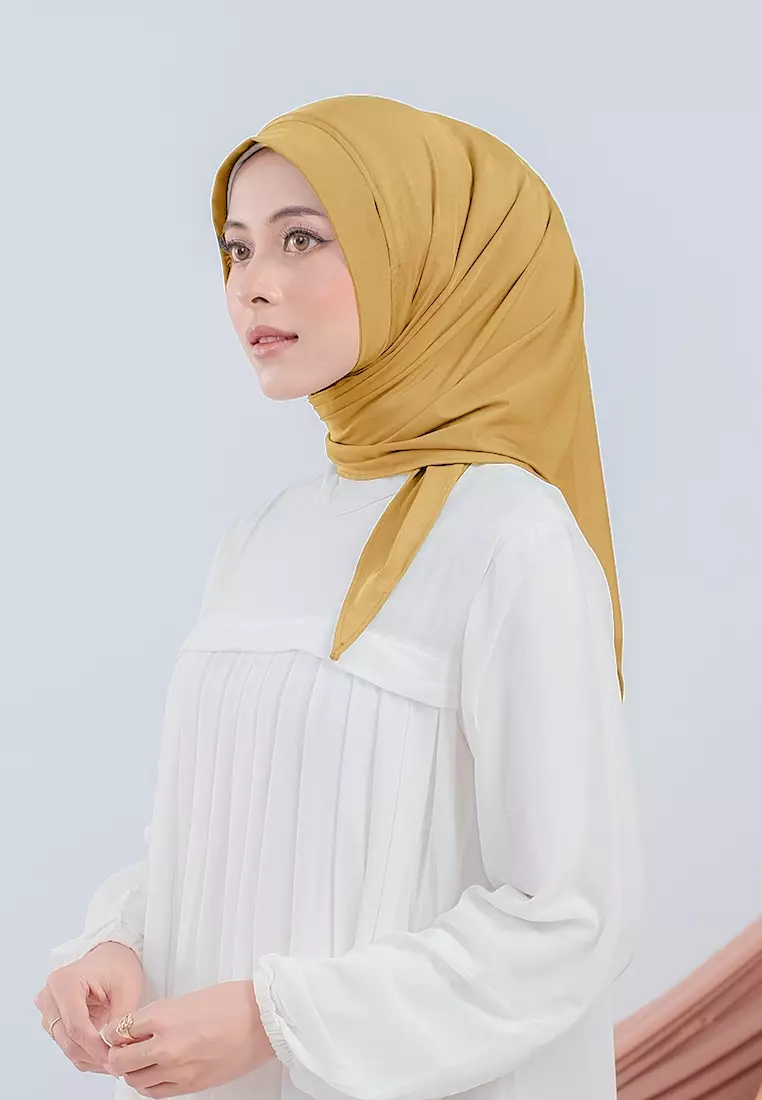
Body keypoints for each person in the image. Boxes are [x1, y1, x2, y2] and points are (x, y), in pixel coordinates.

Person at [35, 94, 645, 1100]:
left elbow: (572, 916)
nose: (253, 284)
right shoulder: (259, 536)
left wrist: (276, 1020)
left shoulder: (512, 537)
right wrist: (121, 942)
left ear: (424, 256)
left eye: (302, 238)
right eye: (237, 248)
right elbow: (230, 836)